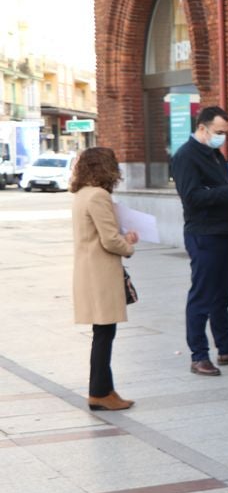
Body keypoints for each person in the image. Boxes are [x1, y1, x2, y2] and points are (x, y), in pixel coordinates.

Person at [172, 106, 228, 376]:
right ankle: (199, 355)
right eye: (219, 132)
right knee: (202, 295)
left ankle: (227, 348)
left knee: (222, 295)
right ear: (202, 128)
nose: (223, 137)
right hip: (203, 234)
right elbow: (192, 196)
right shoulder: (186, 156)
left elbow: (218, 190)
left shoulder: (214, 154)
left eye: (225, 133)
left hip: (223, 232)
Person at [71, 147, 138, 411]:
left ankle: (105, 390)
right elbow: (110, 239)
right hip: (100, 272)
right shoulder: (98, 195)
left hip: (88, 271)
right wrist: (128, 244)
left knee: (103, 331)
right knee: (104, 332)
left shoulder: (81, 194)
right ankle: (99, 392)